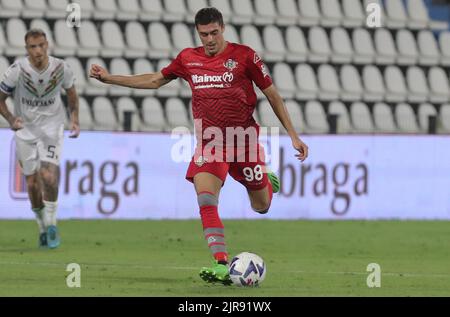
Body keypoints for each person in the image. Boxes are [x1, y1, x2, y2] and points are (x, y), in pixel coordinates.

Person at [89, 7, 308, 284]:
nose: (210, 39)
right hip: (210, 143)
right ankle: (220, 263)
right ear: (198, 33)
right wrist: (110, 78)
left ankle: (266, 180)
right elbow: (155, 80)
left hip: (244, 142)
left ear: (223, 28)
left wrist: (293, 135)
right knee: (205, 198)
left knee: (261, 206)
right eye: (204, 34)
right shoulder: (188, 59)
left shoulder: (244, 56)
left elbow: (273, 95)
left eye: (214, 32)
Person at [0, 29, 80, 249]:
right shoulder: (17, 71)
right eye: (33, 47)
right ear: (27, 50)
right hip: (25, 131)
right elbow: (0, 100)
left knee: (49, 176)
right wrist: (10, 118)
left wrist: (75, 120)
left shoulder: (61, 68)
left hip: (52, 128)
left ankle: (52, 224)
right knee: (33, 183)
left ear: (47, 45)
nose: (38, 50)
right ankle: (42, 227)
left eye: (41, 45)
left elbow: (72, 93)